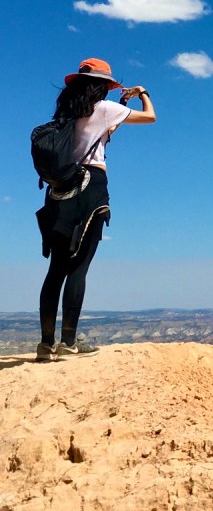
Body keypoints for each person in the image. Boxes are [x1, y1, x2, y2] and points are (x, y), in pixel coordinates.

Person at [36, 58, 156, 361]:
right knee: (80, 267)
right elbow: (150, 118)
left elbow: (102, 133)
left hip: (59, 192)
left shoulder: (65, 115)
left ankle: (46, 344)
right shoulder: (103, 109)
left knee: (56, 269)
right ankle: (69, 343)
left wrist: (116, 106)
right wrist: (143, 93)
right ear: (103, 86)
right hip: (91, 188)